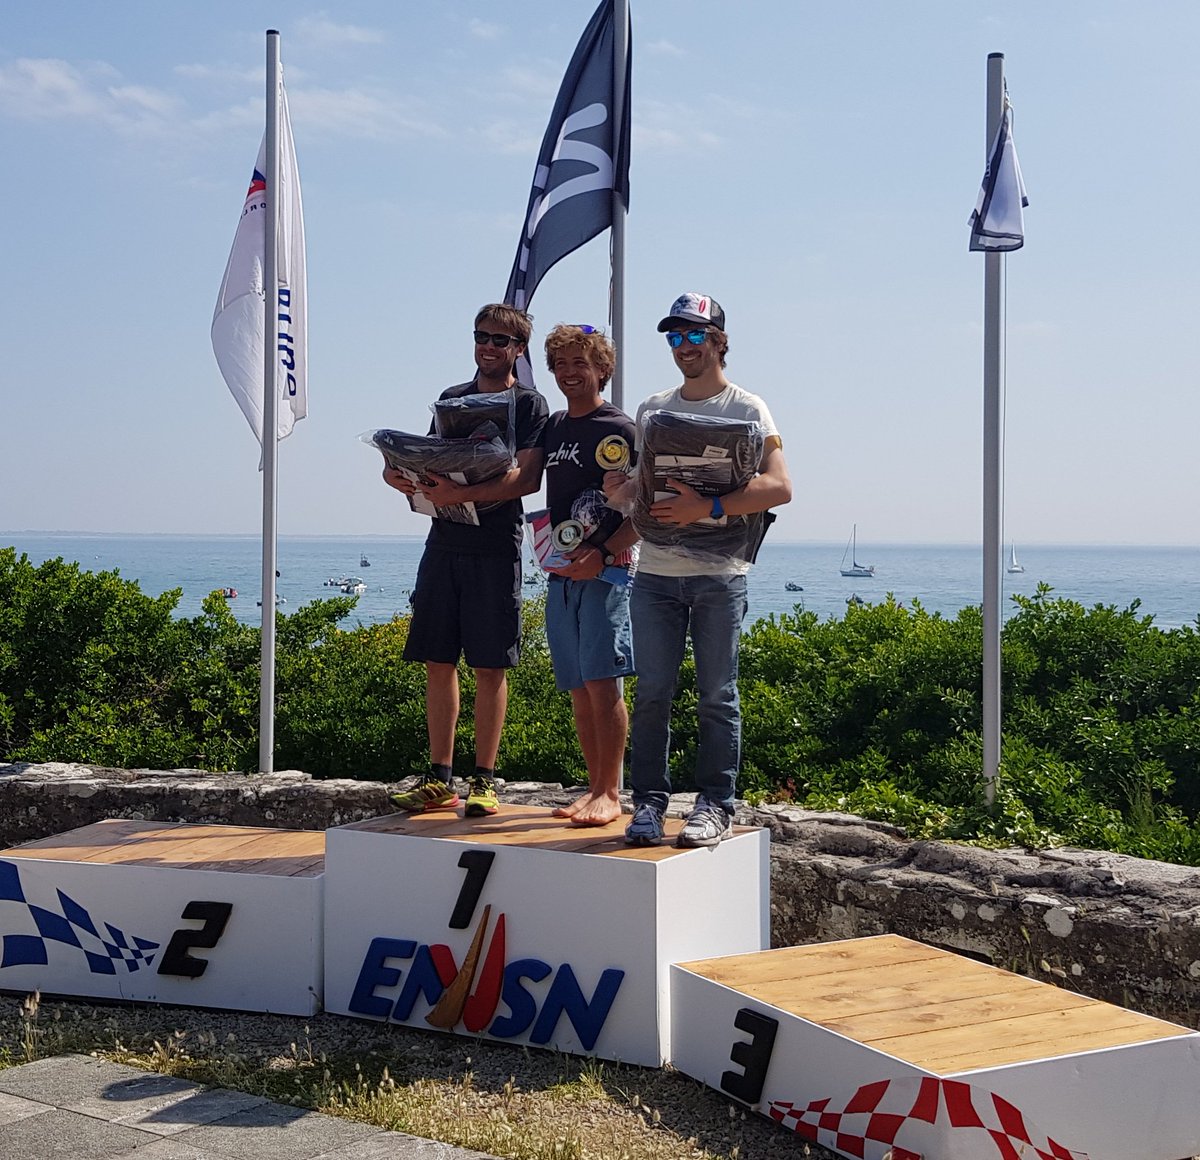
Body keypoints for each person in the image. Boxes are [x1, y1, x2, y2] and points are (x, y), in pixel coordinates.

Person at [605, 293, 792, 847]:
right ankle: (648, 805)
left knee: (717, 696)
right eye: (674, 336)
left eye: (694, 335)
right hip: (655, 574)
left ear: (719, 341)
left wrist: (705, 507)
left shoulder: (749, 408)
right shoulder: (652, 409)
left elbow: (779, 486)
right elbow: (642, 486)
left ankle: (715, 805)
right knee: (652, 695)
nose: (683, 346)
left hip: (721, 575)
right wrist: (621, 491)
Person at [384, 304, 549, 817]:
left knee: (489, 663)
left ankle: (485, 778)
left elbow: (526, 479)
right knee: (437, 660)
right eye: (482, 337)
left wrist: (466, 493)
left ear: (518, 349)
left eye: (500, 340)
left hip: (496, 545)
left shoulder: (530, 403)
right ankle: (439, 777)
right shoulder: (451, 398)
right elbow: (427, 460)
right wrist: (399, 476)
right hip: (444, 540)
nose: (489, 347)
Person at [540, 324, 638, 826]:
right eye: (560, 364)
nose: (569, 372)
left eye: (580, 363)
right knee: (579, 689)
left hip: (606, 574)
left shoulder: (621, 428)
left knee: (604, 685)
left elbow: (644, 512)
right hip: (561, 574)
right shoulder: (554, 426)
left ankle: (611, 792)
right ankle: (593, 785)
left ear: (603, 369)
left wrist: (602, 553)